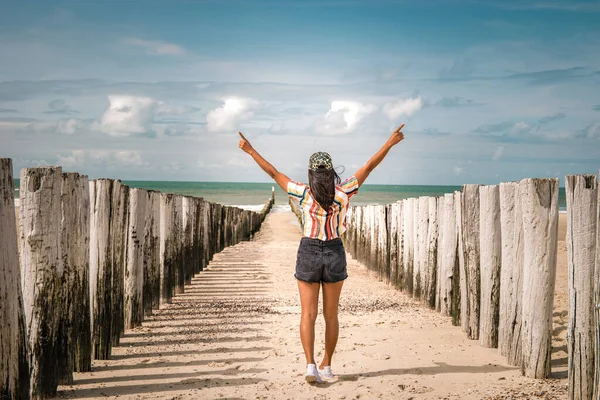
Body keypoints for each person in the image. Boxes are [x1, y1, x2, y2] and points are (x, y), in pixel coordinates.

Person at [237, 123, 405, 383]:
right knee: (331, 315)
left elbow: (273, 173)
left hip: (309, 249)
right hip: (335, 250)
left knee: (308, 314)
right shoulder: (344, 190)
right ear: (331, 172)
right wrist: (389, 143)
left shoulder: (303, 192)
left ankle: (310, 365)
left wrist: (250, 150)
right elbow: (369, 166)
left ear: (311, 172)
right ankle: (327, 365)